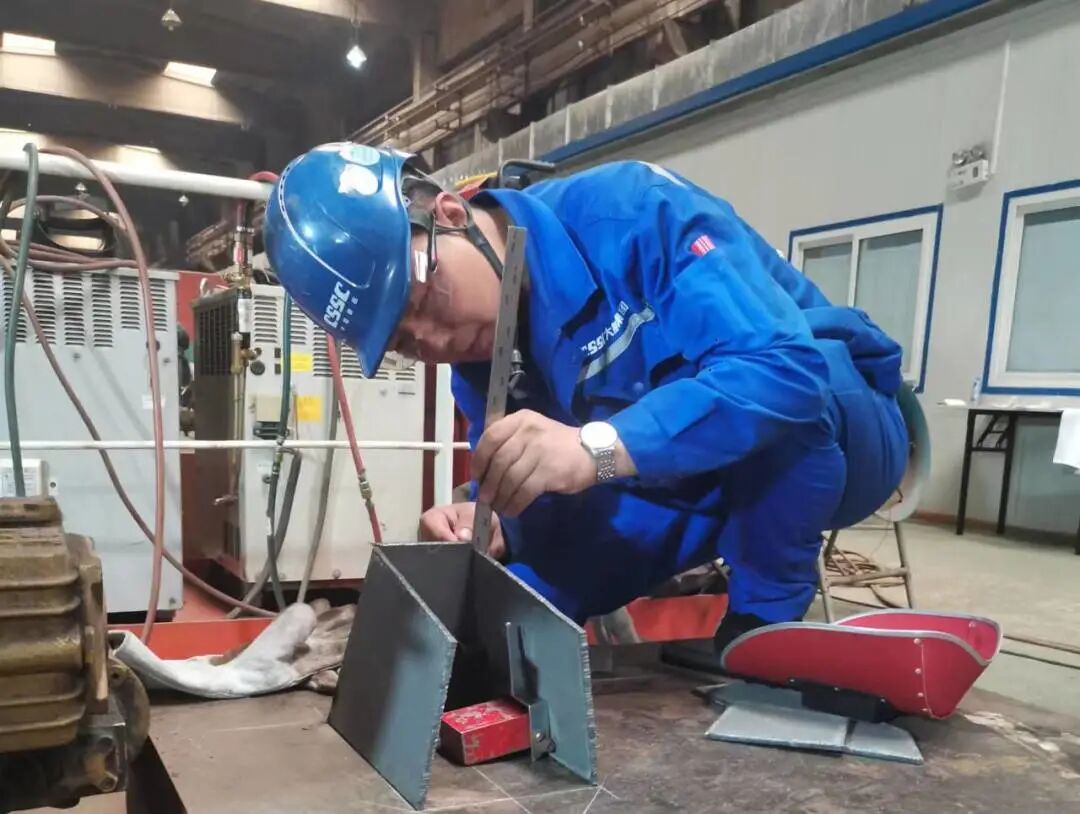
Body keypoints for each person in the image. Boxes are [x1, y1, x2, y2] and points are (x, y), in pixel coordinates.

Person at [263, 143, 908, 652]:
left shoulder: (633, 212)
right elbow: (538, 491)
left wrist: (595, 448)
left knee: (794, 387)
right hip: (685, 484)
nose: (433, 338)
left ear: (450, 214)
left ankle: (764, 633)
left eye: (420, 299)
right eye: (404, 341)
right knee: (511, 611)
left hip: (844, 434)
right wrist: (493, 522)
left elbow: (784, 370)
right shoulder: (479, 363)